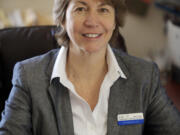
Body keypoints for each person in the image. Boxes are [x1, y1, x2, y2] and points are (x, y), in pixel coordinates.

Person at [0, 0, 180, 135]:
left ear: (115, 20)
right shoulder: (29, 76)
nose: (92, 21)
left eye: (103, 9)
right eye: (81, 9)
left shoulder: (144, 76)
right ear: (63, 18)